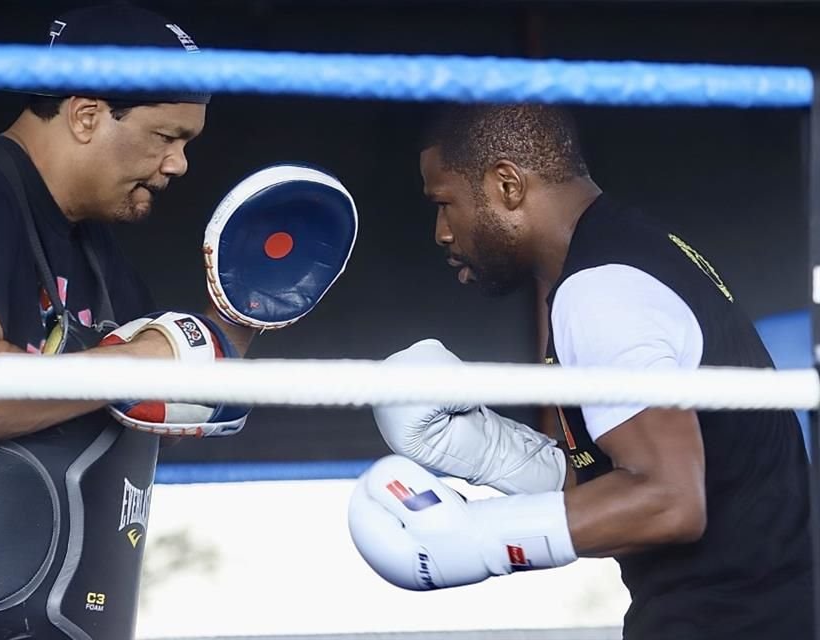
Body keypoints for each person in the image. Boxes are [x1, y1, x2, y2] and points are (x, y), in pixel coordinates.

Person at [0, 3, 355, 639]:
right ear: (88, 113)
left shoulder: (96, 254)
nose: (178, 164)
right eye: (166, 136)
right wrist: (151, 359)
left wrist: (242, 315)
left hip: (34, 613)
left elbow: (144, 411)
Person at [347, 103, 812, 639]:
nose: (441, 232)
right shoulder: (626, 254)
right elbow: (626, 484)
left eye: (445, 203)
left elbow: (670, 502)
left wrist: (475, 536)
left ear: (506, 185)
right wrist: (485, 448)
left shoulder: (601, 291)